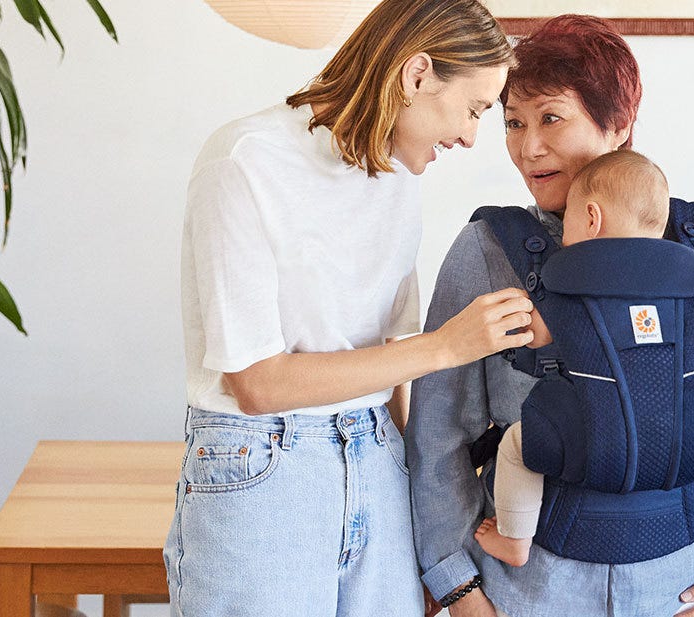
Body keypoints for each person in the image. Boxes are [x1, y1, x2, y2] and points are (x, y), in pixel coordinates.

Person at [407, 14, 694, 617]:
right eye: (512, 122)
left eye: (551, 118)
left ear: (618, 125)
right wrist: (457, 587)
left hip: (680, 583)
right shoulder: (486, 250)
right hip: (528, 589)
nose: (527, 147)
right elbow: (438, 435)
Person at [162, 1, 534, 616]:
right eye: (472, 109)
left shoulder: (398, 180)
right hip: (262, 464)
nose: (471, 136)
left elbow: (387, 364)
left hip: (376, 455)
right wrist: (448, 345)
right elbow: (256, 383)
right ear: (416, 76)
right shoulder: (244, 160)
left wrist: (424, 516)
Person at [473, 150, 694, 570]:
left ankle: (515, 538)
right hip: (685, 436)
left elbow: (532, 337)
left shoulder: (566, 281)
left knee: (516, 445)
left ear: (591, 217)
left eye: (567, 220)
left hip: (594, 438)